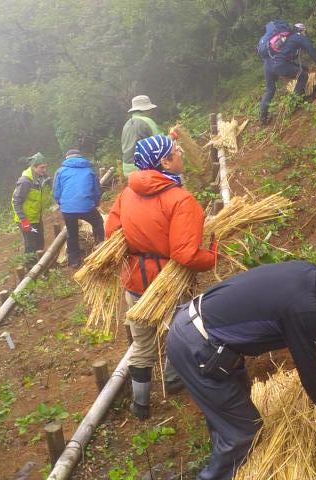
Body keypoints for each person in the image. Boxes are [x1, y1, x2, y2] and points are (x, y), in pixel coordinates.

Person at [166, 262, 316, 480]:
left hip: (200, 325)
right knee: (244, 431)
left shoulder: (310, 275)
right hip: (197, 346)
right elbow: (312, 378)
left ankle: (223, 448)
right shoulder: (303, 309)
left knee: (235, 404)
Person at [105, 134, 218, 420]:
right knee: (178, 332)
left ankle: (140, 405)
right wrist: (213, 256)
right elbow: (185, 254)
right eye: (174, 151)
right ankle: (173, 379)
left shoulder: (127, 194)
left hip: (134, 280)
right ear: (164, 162)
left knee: (141, 342)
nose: (180, 152)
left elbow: (111, 233)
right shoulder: (180, 199)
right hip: (169, 281)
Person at [258, 22, 316, 125]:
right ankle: (293, 104)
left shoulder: (285, 38)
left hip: (267, 64)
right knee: (303, 76)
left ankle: (263, 118)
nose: (305, 33)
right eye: (304, 31)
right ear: (302, 30)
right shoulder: (299, 38)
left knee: (270, 90)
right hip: (278, 64)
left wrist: (304, 67)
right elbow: (312, 52)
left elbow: (284, 57)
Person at [53, 149, 104, 268]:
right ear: (80, 157)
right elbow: (97, 190)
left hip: (68, 209)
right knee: (98, 223)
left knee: (72, 233)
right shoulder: (89, 171)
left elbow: (56, 192)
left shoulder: (60, 171)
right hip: (86, 206)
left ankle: (74, 261)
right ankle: (99, 249)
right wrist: (95, 203)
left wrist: (62, 204)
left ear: (67, 158)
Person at [11, 153, 51, 264]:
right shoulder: (25, 182)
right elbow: (16, 202)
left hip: (36, 218)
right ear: (34, 167)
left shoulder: (40, 177)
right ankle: (30, 270)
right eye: (42, 167)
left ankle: (41, 266)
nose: (44, 169)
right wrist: (24, 221)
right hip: (26, 220)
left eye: (45, 167)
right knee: (30, 246)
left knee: (40, 242)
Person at [121, 95, 163, 177]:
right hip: (142, 168)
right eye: (150, 109)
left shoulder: (127, 124)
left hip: (127, 169)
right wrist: (172, 136)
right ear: (145, 109)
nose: (151, 111)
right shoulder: (147, 121)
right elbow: (161, 143)